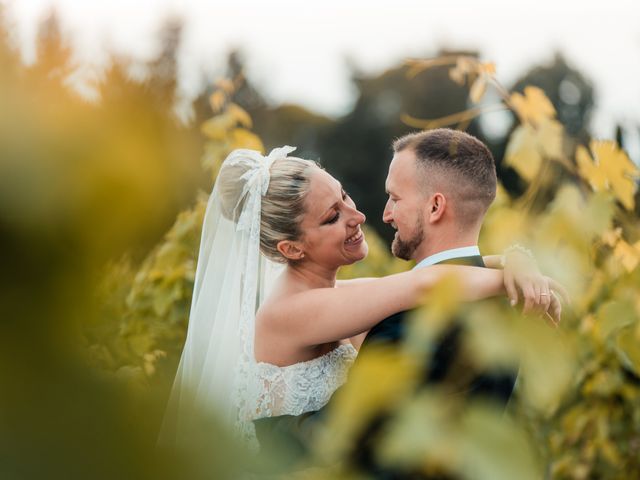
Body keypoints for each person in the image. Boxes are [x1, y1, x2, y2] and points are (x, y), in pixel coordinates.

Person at [159, 140, 561, 455]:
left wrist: (512, 261)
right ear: (292, 249)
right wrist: (511, 278)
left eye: (345, 197)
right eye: (332, 217)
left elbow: (413, 283)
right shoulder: (290, 313)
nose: (359, 217)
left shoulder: (334, 298)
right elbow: (417, 286)